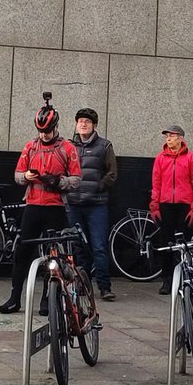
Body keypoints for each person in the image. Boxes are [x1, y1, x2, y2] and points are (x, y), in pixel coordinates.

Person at [0, 93, 81, 314]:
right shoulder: (30, 147)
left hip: (55, 207)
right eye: (40, 131)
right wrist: (26, 176)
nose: (43, 135)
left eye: (47, 131)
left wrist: (59, 182)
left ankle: (48, 298)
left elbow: (76, 179)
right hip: (33, 205)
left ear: (55, 127)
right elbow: (17, 175)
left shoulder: (67, 148)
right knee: (22, 251)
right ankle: (15, 297)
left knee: (53, 254)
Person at [65, 107, 118, 301]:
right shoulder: (68, 146)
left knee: (99, 246)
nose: (83, 124)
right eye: (80, 121)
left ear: (94, 125)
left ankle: (104, 287)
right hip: (74, 204)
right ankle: (81, 284)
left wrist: (98, 186)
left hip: (97, 205)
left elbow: (112, 173)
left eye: (87, 121)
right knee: (78, 247)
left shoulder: (104, 146)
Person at [151, 124, 193, 296]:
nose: (168, 139)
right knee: (166, 243)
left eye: (172, 136)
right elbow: (156, 183)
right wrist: (155, 205)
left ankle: (184, 277)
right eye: (167, 136)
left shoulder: (191, 158)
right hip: (166, 205)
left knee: (183, 244)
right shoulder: (160, 158)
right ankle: (166, 279)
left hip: (184, 205)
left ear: (180, 138)